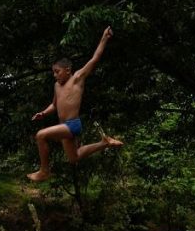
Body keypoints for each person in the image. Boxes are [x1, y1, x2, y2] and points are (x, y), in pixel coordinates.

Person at [27, 26, 124, 182]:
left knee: (40, 135)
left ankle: (44, 171)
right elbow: (54, 105)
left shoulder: (77, 78)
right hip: (63, 126)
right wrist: (44, 113)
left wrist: (104, 38)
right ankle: (104, 143)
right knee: (74, 157)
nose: (55, 75)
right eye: (53, 72)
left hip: (72, 125)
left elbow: (95, 58)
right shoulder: (57, 86)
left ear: (67, 70)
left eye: (57, 71)